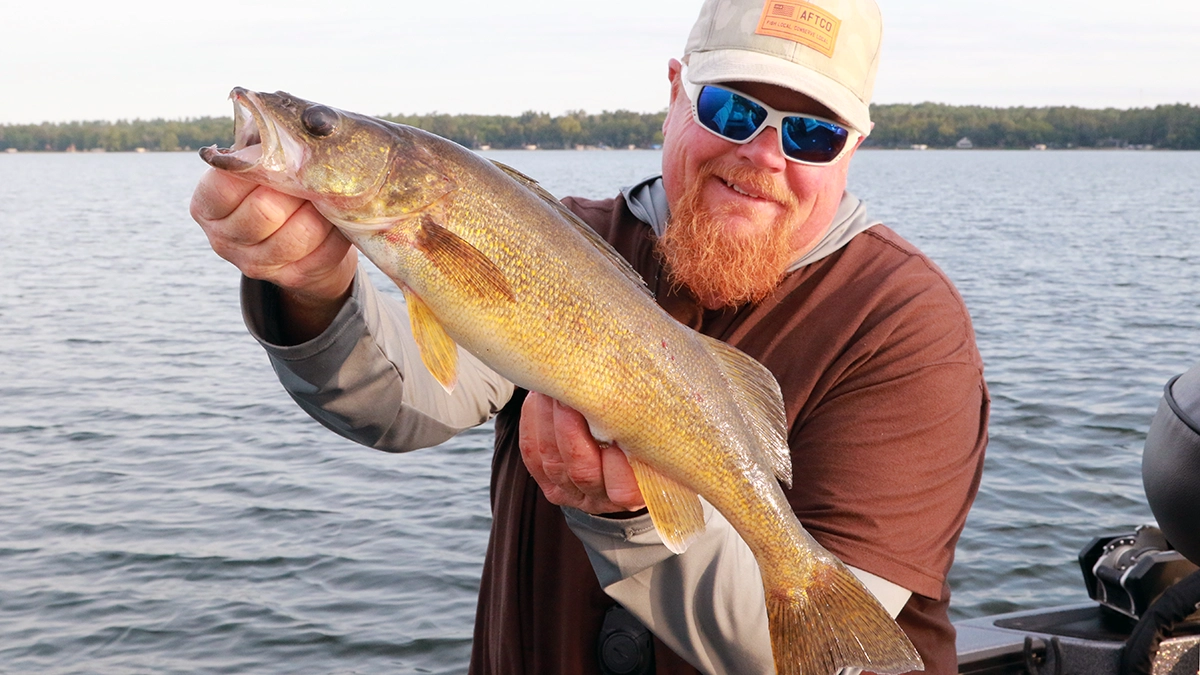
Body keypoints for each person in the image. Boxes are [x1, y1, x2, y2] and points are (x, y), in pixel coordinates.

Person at [190, 0, 988, 673]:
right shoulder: (569, 235)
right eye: (732, 109)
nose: (763, 154)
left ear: (855, 146)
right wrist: (312, 287)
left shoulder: (908, 326)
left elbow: (791, 657)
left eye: (812, 134)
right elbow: (399, 402)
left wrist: (630, 522)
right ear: (676, 92)